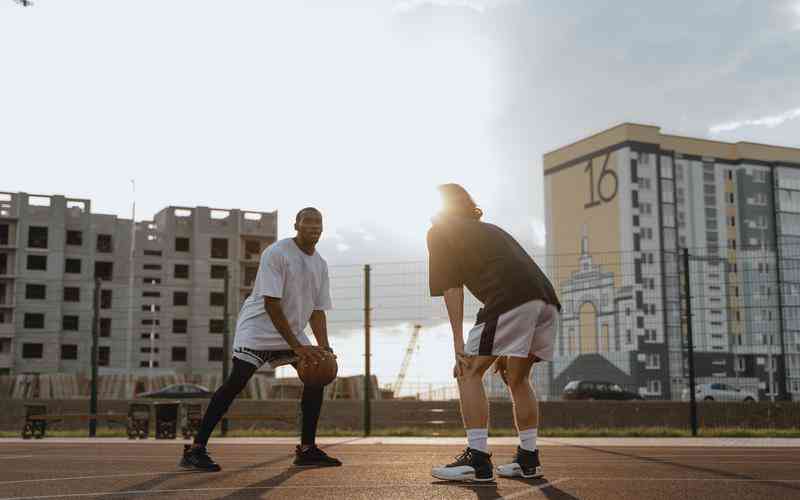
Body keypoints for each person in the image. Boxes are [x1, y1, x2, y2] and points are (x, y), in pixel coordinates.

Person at [180, 207, 342, 471]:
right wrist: (298, 347)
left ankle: (307, 449)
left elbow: (317, 310)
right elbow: (271, 304)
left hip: (290, 332)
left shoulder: (320, 264)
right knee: (237, 382)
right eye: (308, 221)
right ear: (296, 225)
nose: (314, 226)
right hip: (257, 329)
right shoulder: (277, 253)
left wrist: (323, 347)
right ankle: (195, 449)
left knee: (316, 375)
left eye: (318, 222)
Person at [427, 184, 561, 483]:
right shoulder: (490, 230)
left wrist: (458, 343)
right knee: (517, 378)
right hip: (547, 301)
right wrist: (505, 345)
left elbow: (451, 287)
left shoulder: (439, 232)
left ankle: (477, 460)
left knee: (467, 371)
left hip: (510, 300)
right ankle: (528, 460)